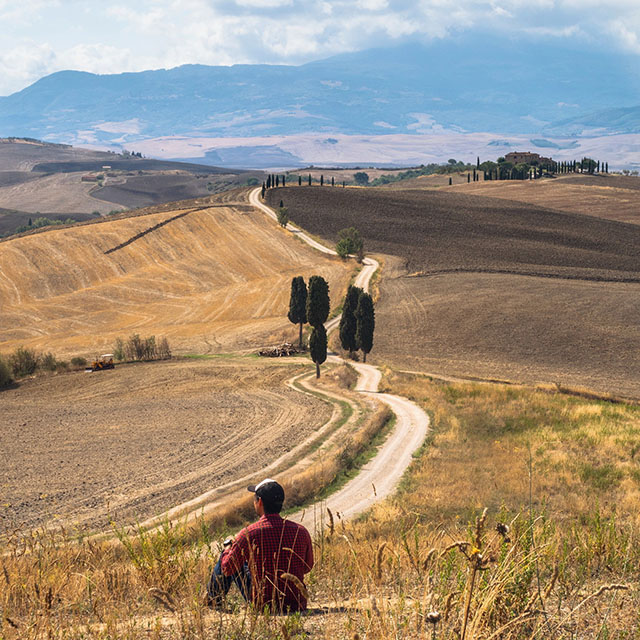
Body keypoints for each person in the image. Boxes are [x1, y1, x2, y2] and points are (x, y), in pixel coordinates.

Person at [207, 478, 314, 612]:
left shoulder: (248, 533)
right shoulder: (301, 531)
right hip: (295, 603)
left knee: (227, 557)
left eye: (254, 499)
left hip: (262, 604)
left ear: (260, 502)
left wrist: (229, 549)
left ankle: (213, 600)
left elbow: (227, 569)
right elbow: (307, 566)